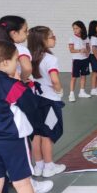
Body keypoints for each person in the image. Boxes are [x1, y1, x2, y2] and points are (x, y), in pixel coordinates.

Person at [0, 41, 40, 193]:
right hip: (12, 139)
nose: (17, 64)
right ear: (4, 62)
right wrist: (23, 83)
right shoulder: (11, 85)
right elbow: (31, 105)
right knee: (22, 183)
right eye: (15, 60)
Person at [28, 26, 66, 178]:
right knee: (48, 135)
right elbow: (55, 79)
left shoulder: (29, 57)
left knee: (36, 134)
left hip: (35, 100)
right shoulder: (50, 59)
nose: (54, 37)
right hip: (50, 101)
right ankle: (49, 166)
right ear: (42, 41)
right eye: (51, 36)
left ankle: (39, 166)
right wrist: (58, 90)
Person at [68, 21, 91, 102]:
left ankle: (82, 92)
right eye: (73, 28)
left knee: (83, 76)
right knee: (74, 77)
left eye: (76, 28)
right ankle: (71, 94)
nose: (75, 30)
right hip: (76, 60)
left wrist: (87, 52)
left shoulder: (86, 37)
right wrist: (79, 50)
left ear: (81, 28)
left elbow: (88, 48)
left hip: (85, 60)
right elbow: (71, 50)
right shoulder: (72, 38)